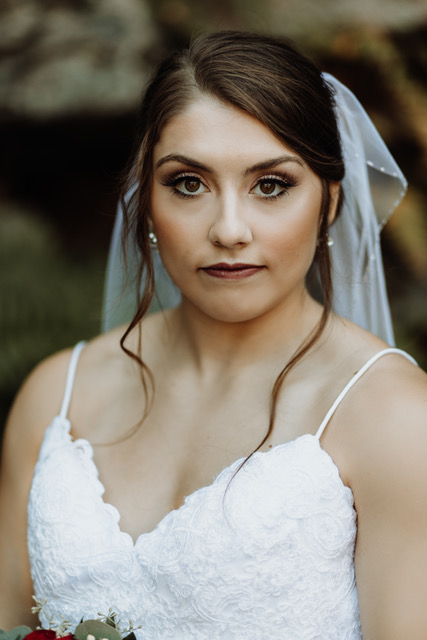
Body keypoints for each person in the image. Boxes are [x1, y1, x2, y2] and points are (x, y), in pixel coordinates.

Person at [1, 30, 426, 640]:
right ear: (146, 201)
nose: (229, 229)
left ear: (330, 202)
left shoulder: (396, 419)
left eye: (271, 185)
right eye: (188, 183)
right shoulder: (56, 398)